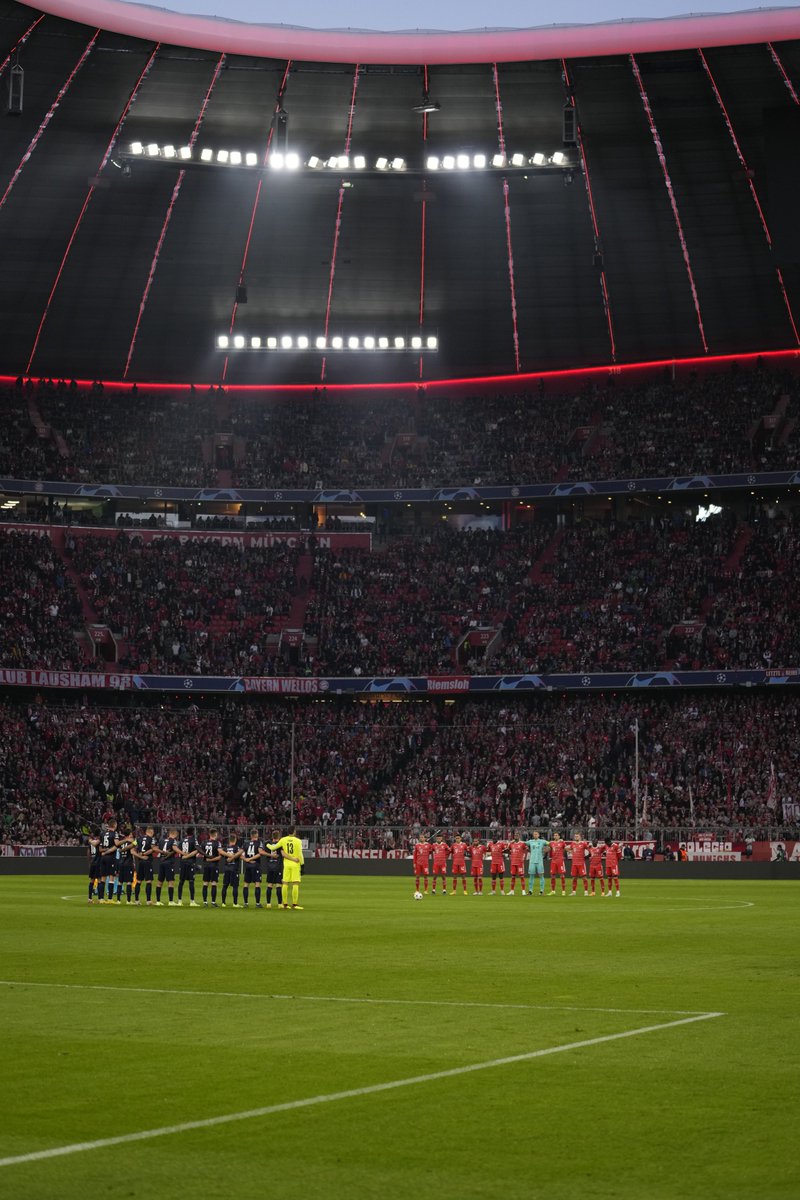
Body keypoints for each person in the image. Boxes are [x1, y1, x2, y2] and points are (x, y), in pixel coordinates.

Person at [268, 827, 305, 910]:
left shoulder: (283, 840)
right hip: (295, 864)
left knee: (285, 883)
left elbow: (273, 848)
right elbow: (300, 854)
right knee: (295, 883)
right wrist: (302, 865)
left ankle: (285, 904)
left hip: (286, 864)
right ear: (294, 832)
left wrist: (267, 844)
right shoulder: (298, 841)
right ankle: (294, 904)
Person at [155, 826, 180, 906]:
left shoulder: (161, 840)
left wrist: (163, 852)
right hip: (169, 863)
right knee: (171, 882)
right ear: (174, 834)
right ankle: (171, 901)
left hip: (161, 862)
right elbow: (175, 849)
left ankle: (158, 901)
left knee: (159, 882)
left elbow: (156, 849)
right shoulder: (173, 841)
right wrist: (182, 853)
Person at [98, 819, 120, 904]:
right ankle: (110, 899)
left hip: (103, 858)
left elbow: (100, 849)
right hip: (111, 857)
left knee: (103, 878)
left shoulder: (102, 833)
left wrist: (105, 851)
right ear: (114, 825)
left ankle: (101, 899)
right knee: (111, 877)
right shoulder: (115, 833)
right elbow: (117, 844)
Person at [132, 826, 156, 905]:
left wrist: (140, 856)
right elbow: (153, 849)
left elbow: (132, 850)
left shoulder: (138, 839)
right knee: (148, 881)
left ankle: (136, 900)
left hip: (140, 862)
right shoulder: (152, 839)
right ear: (151, 832)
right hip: (147, 861)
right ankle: (148, 900)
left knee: (139, 881)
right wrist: (144, 854)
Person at [177, 827, 200, 906]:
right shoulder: (194, 840)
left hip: (182, 862)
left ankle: (179, 901)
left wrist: (183, 855)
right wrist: (187, 856)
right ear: (193, 832)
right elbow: (197, 850)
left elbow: (178, 850)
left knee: (181, 882)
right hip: (190, 862)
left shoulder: (182, 840)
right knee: (191, 881)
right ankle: (192, 901)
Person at [242, 828, 265, 908]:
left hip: (248, 866)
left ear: (251, 835)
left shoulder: (246, 843)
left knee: (246, 884)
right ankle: (257, 903)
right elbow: (260, 853)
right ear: (256, 835)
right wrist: (251, 859)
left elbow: (240, 854)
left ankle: (246, 903)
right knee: (257, 884)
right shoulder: (259, 842)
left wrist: (246, 859)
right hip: (256, 865)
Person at [201, 828, 223, 907]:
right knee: (213, 883)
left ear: (209, 834)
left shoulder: (204, 842)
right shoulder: (217, 843)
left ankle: (205, 902)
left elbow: (200, 853)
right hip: (214, 865)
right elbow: (219, 856)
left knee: (205, 883)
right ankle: (213, 902)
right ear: (216, 835)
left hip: (206, 865)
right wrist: (212, 859)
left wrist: (207, 859)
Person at [221, 833, 243, 907]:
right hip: (234, 868)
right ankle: (235, 903)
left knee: (225, 886)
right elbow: (240, 855)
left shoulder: (225, 848)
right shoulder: (237, 847)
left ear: (229, 840)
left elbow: (221, 855)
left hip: (226, 868)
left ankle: (223, 903)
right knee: (235, 886)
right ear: (235, 840)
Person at [115, 828, 136, 904]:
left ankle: (118, 900)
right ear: (129, 834)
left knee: (120, 882)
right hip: (128, 863)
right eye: (131, 834)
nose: (132, 835)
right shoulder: (132, 841)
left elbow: (117, 847)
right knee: (129, 882)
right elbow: (134, 847)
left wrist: (121, 850)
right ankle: (128, 900)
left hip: (121, 863)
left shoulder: (121, 842)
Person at [264, 828, 283, 908]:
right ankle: (279, 904)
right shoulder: (281, 844)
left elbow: (263, 852)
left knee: (269, 885)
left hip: (270, 866)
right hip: (278, 867)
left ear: (272, 836)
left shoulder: (267, 843)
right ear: (279, 836)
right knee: (278, 885)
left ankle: (268, 904)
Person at [526, 830, 547, 897]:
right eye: (534, 834)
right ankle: (530, 891)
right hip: (532, 861)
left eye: (536, 834)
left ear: (538, 835)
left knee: (541, 875)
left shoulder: (542, 841)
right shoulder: (530, 841)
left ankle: (541, 891)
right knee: (531, 876)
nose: (535, 835)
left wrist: (559, 840)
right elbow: (522, 844)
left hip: (539, 861)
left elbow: (550, 843)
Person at [87, 831, 104, 903]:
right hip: (99, 862)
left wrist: (89, 861)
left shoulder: (91, 842)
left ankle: (90, 898)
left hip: (93, 862)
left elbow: (88, 852)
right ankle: (100, 899)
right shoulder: (100, 841)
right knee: (99, 880)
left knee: (92, 881)